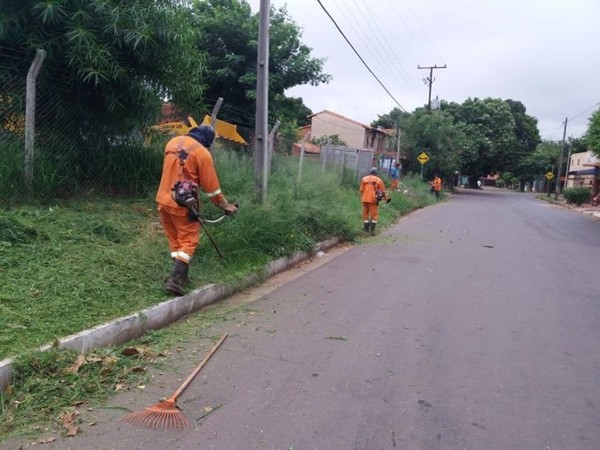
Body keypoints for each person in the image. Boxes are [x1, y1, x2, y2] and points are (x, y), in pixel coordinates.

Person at [156, 125, 238, 295]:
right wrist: (225, 206)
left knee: (175, 240)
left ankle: (180, 274)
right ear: (208, 140)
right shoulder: (202, 153)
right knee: (189, 240)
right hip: (183, 204)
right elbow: (212, 188)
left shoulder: (171, 143)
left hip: (163, 200)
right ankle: (175, 280)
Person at [359, 167, 389, 235]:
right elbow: (382, 191)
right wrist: (386, 199)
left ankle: (366, 231)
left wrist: (364, 196)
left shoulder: (364, 179)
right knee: (374, 216)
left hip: (364, 200)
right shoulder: (378, 180)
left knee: (365, 215)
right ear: (376, 173)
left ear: (370, 172)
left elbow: (361, 190)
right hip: (373, 200)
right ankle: (372, 232)